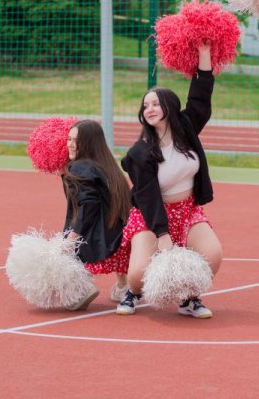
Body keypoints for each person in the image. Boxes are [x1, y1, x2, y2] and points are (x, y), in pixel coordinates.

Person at [116, 41, 223, 318]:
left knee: (213, 254)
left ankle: (189, 298)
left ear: (170, 106)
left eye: (155, 103)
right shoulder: (140, 153)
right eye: (145, 105)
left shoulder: (186, 129)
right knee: (139, 274)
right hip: (152, 215)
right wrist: (162, 234)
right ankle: (132, 292)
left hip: (187, 210)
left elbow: (200, 98)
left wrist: (203, 53)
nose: (149, 108)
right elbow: (148, 196)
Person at [62, 119, 132, 308]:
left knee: (62, 250)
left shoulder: (79, 168)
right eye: (68, 139)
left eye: (76, 140)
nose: (70, 144)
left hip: (98, 237)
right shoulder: (109, 167)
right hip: (121, 236)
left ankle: (81, 286)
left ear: (89, 144)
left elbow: (89, 205)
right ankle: (123, 287)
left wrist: (72, 237)